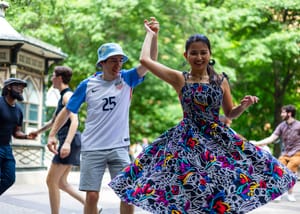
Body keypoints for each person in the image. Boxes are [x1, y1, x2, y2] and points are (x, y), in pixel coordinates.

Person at [108, 18, 297, 213]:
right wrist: (151, 34)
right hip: (186, 142)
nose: (199, 57)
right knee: (187, 192)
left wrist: (244, 106)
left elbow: (230, 112)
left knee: (218, 193)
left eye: (203, 52)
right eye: (194, 53)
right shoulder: (179, 78)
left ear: (210, 54)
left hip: (216, 141)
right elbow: (146, 61)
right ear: (186, 55)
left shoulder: (220, 80)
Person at [47, 18, 159, 214]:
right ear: (102, 63)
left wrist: (153, 36)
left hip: (119, 146)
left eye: (120, 60)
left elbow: (150, 62)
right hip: (93, 147)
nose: (118, 64)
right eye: (113, 60)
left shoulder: (128, 78)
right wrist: (52, 134)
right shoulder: (88, 85)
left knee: (127, 193)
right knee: (92, 195)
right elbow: (67, 111)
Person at [29, 66, 84, 213]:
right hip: (71, 141)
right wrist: (37, 132)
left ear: (59, 78)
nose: (52, 78)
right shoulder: (63, 96)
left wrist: (66, 143)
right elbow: (55, 121)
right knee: (61, 182)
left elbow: (75, 120)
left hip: (70, 141)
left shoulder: (67, 96)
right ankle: (92, 206)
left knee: (51, 181)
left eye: (53, 75)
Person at [252, 104, 300, 202]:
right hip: (285, 153)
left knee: (290, 170)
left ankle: (290, 194)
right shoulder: (282, 126)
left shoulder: (298, 125)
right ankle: (279, 192)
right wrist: (257, 143)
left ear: (289, 113)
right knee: (278, 170)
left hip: (297, 153)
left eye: (283, 112)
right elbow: (272, 138)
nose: (281, 114)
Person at [0, 78, 36, 195]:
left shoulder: (18, 110)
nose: (21, 89)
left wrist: (26, 136)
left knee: (10, 178)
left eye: (23, 87)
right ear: (9, 87)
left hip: (6, 148)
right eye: (18, 86)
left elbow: (16, 132)